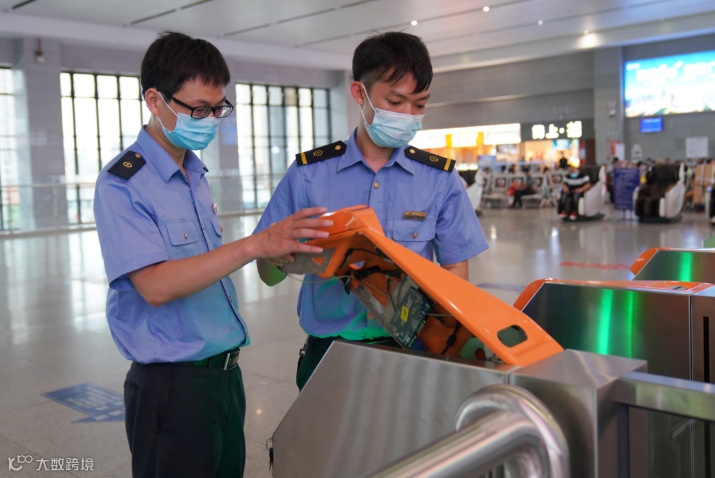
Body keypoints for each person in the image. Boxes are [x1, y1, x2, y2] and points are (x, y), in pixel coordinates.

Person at [93, 32, 332, 478]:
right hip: (171, 387)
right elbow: (155, 285)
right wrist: (254, 245)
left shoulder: (194, 173)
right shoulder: (123, 184)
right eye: (198, 109)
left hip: (223, 377)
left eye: (218, 108)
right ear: (155, 100)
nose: (209, 120)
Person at [253, 31, 488, 391]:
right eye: (395, 101)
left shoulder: (439, 179)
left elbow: (456, 269)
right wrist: (278, 256)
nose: (408, 115)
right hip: (328, 356)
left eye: (419, 105)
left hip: (412, 356)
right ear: (359, 93)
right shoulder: (309, 174)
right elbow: (268, 273)